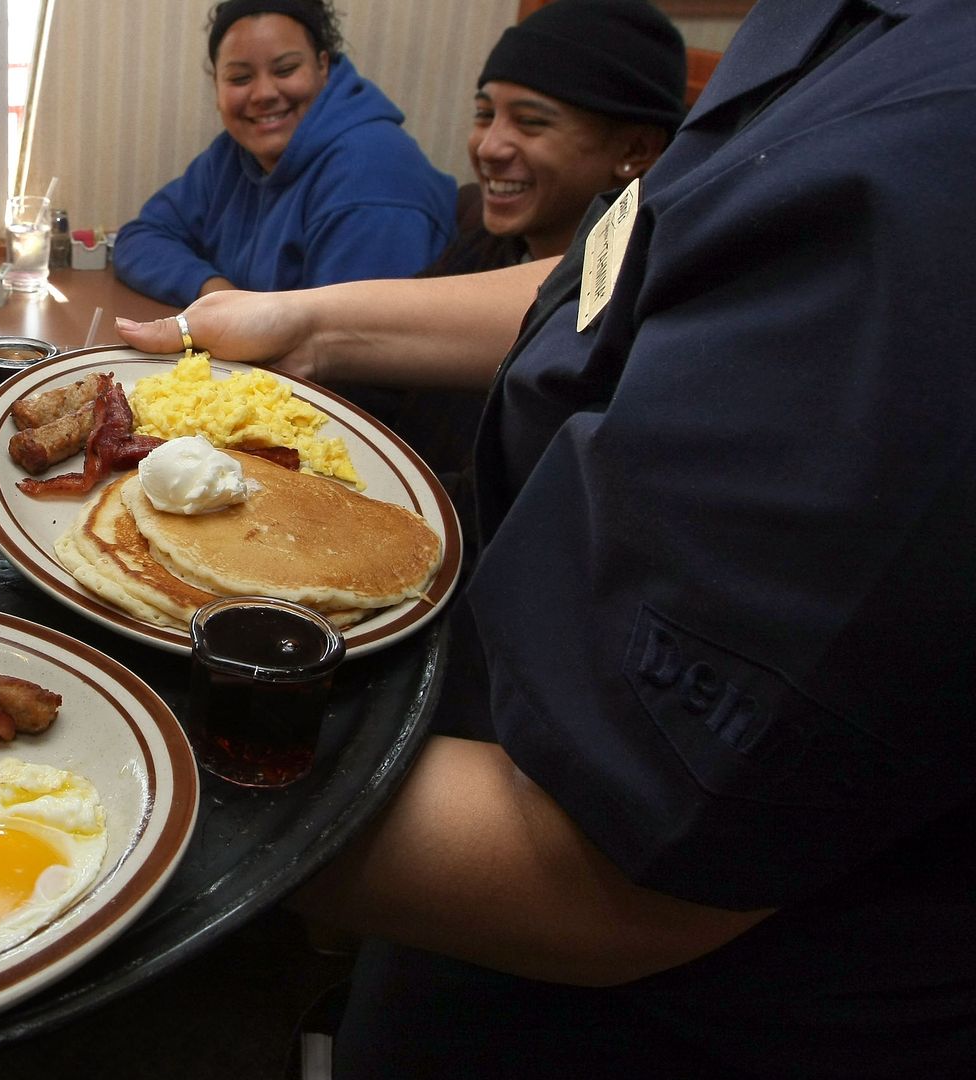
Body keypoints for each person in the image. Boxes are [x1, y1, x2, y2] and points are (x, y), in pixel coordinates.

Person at [119, 0, 976, 1074]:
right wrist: (311, 321)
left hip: (682, 1016)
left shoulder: (937, 159)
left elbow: (606, 868)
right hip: (478, 853)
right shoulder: (838, 34)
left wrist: (114, 740)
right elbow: (639, 271)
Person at [355, 0, 687, 475]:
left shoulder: (636, 327)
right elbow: (379, 376)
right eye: (484, 114)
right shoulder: (485, 246)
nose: (489, 147)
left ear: (635, 149)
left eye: (530, 122)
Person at [110, 0, 455, 308]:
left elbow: (352, 344)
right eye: (240, 77)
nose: (263, 93)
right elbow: (140, 237)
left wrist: (241, 318)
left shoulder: (373, 173)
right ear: (216, 86)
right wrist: (217, 293)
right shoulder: (231, 156)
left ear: (323, 66)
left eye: (285, 70)